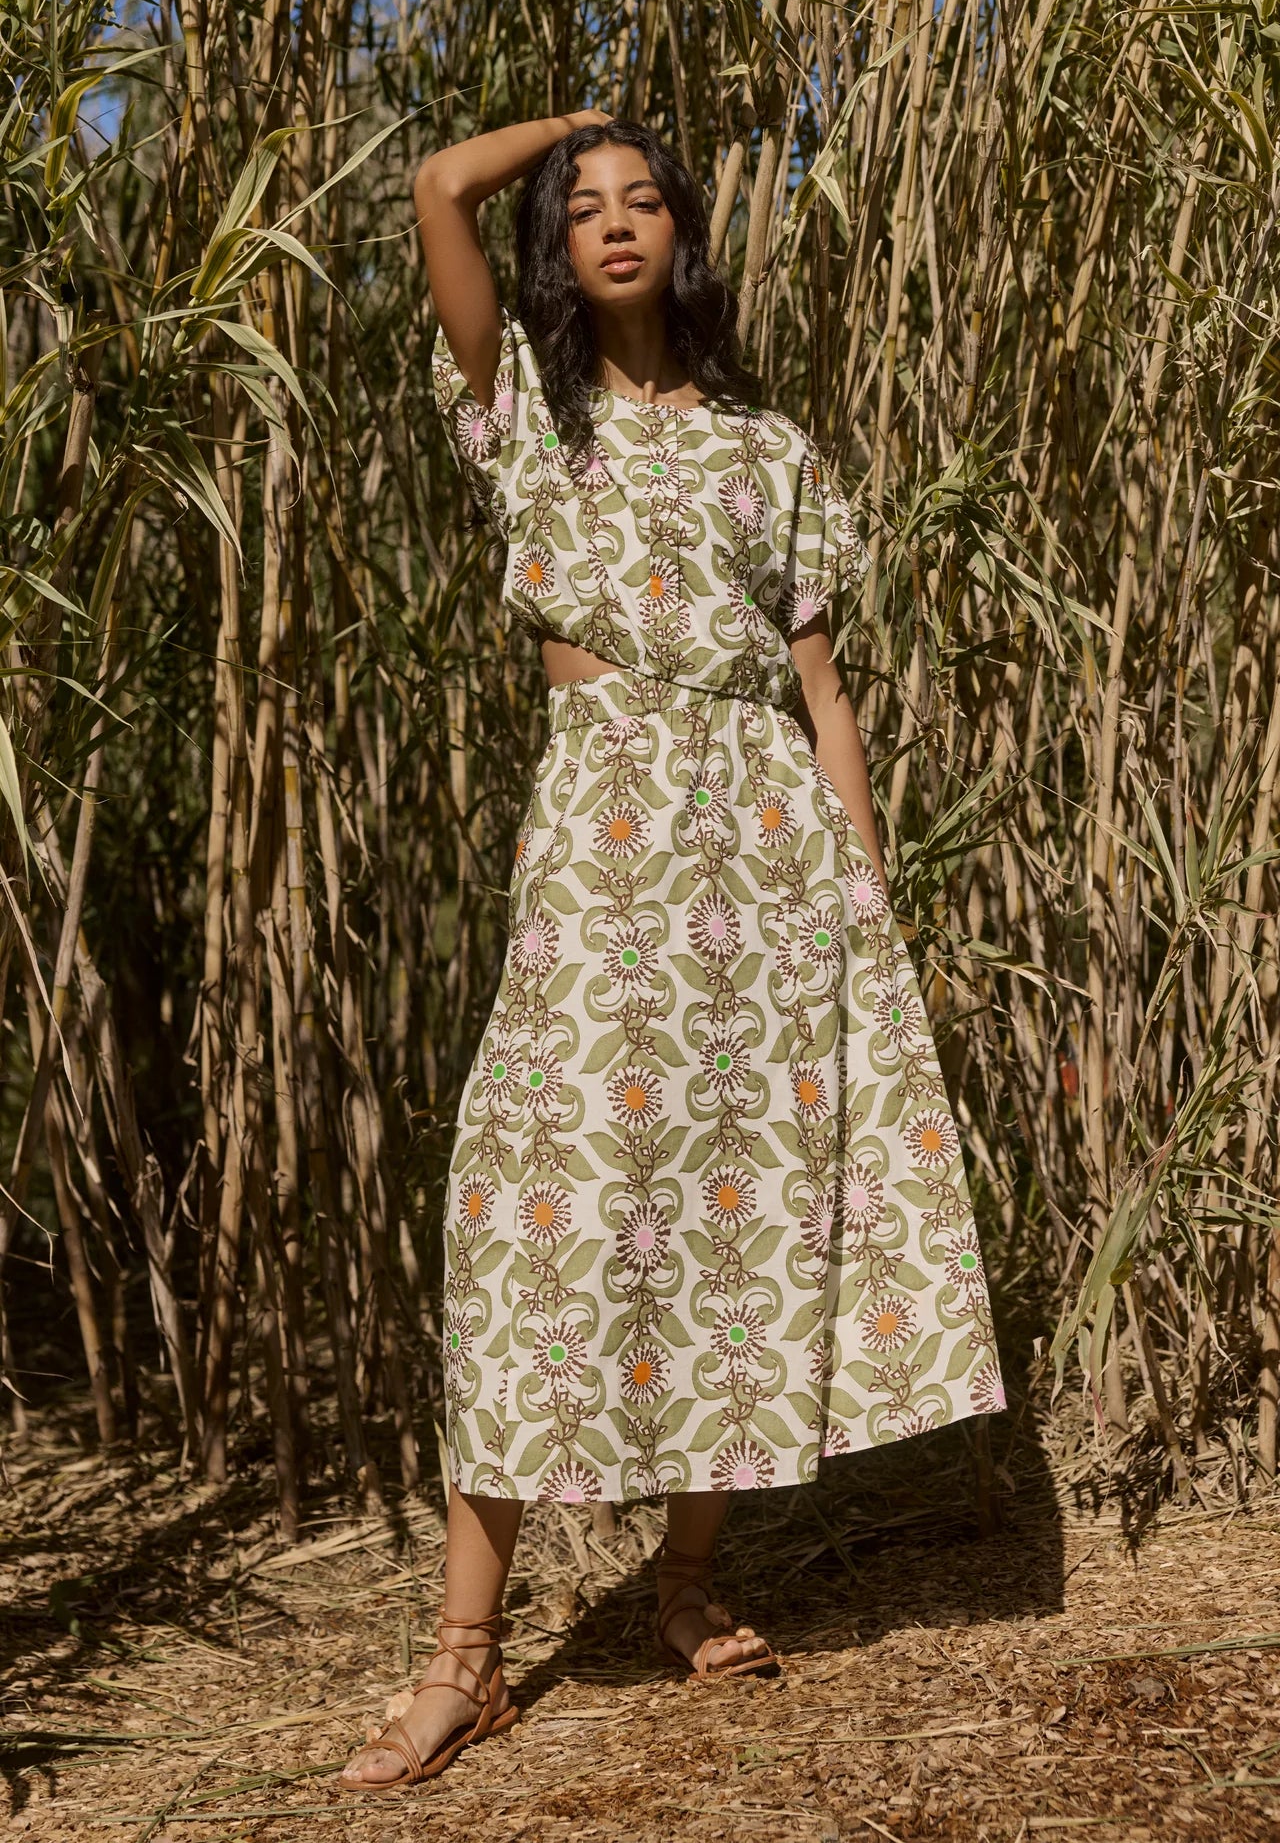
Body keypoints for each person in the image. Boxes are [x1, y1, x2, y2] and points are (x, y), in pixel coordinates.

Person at [337, 109, 1004, 1794]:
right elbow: (435, 192)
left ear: (683, 236)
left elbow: (826, 698)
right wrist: (573, 124)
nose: (616, 223)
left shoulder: (770, 450)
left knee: (742, 1197)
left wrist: (862, 899)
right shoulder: (523, 418)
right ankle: (464, 1662)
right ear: (559, 246)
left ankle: (688, 1581)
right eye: (587, 209)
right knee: (525, 1201)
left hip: (767, 852)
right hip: (603, 839)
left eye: (645, 200)